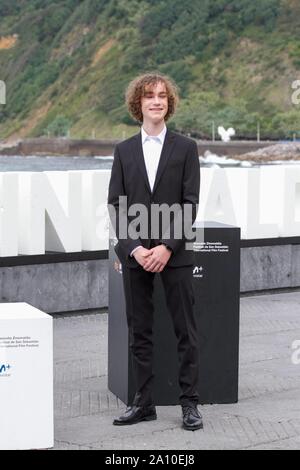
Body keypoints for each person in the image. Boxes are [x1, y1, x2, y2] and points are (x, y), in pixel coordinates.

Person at [107, 72, 202, 431]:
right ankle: (143, 403)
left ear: (169, 103)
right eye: (149, 96)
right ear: (139, 103)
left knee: (185, 332)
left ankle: (190, 405)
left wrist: (166, 246)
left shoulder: (186, 148)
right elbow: (116, 205)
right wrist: (134, 250)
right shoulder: (123, 151)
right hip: (135, 256)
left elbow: (190, 204)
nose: (157, 101)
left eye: (162, 96)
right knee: (140, 332)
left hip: (174, 253)